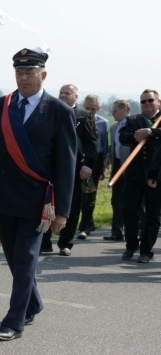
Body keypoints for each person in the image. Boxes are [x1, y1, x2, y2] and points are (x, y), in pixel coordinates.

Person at [0, 48, 76, 341]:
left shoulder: (59, 111)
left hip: (37, 202)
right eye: (19, 72)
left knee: (25, 259)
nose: (23, 77)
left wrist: (63, 211)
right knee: (14, 260)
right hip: (4, 199)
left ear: (43, 74)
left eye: (30, 72)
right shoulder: (2, 106)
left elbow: (66, 165)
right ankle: (34, 302)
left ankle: (14, 321)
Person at [40, 83, 97, 256]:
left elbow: (92, 143)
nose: (64, 95)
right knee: (48, 203)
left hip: (75, 168)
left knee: (71, 205)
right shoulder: (50, 112)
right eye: (61, 92)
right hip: (51, 167)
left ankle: (66, 243)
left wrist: (87, 165)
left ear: (76, 97)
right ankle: (44, 241)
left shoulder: (83, 116)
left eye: (68, 93)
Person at [118, 89, 161, 263]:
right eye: (143, 101)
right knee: (129, 211)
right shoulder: (133, 120)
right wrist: (136, 136)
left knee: (152, 214)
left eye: (150, 100)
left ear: (158, 101)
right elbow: (123, 137)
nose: (147, 104)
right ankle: (131, 245)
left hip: (157, 174)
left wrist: (151, 132)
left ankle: (146, 250)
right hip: (134, 175)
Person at [77, 94, 109, 239]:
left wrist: (103, 167)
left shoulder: (103, 123)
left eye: (93, 109)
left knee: (90, 193)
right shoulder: (78, 119)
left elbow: (102, 146)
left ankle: (85, 226)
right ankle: (88, 223)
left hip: (95, 162)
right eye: (87, 108)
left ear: (98, 108)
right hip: (80, 160)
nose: (90, 112)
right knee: (79, 194)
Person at [103, 99, 131, 241]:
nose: (112, 113)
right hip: (117, 165)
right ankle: (117, 232)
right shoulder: (114, 127)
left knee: (135, 200)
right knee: (116, 199)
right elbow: (112, 145)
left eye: (115, 110)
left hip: (132, 167)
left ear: (125, 109)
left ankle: (139, 229)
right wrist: (108, 155)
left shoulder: (134, 123)